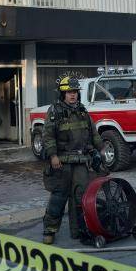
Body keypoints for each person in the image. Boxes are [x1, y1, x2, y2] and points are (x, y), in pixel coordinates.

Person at [41, 76, 106, 244]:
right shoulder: (54, 111)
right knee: (59, 197)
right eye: (70, 92)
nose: (73, 95)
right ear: (63, 94)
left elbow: (93, 132)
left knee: (81, 197)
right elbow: (48, 136)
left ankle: (79, 231)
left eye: (75, 92)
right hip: (61, 161)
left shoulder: (83, 111)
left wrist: (101, 149)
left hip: (80, 161)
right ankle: (49, 230)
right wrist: (53, 156)